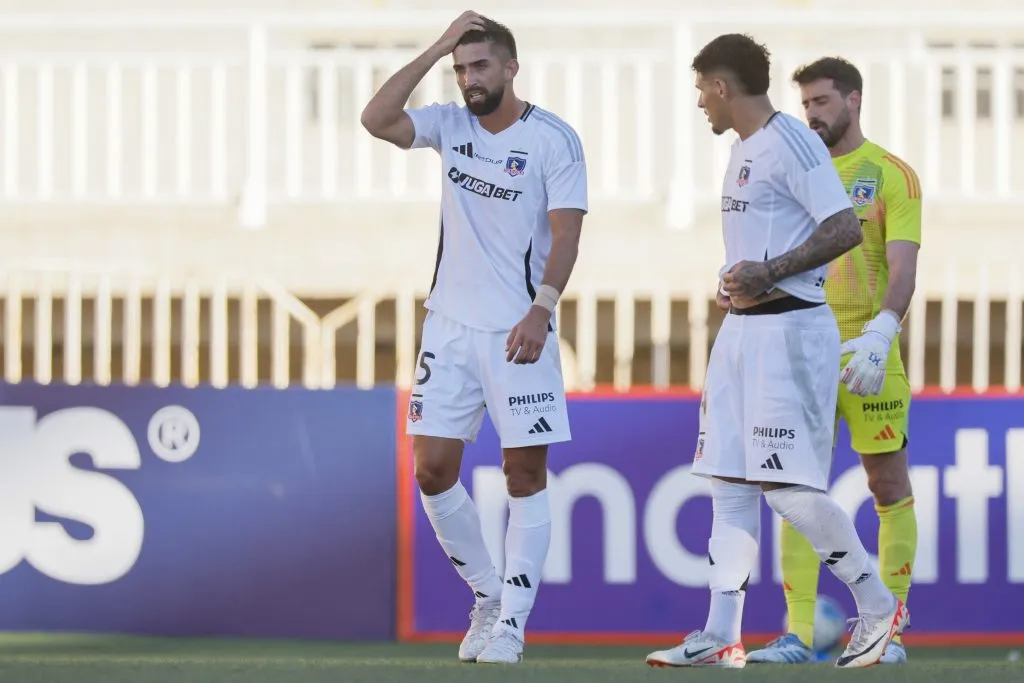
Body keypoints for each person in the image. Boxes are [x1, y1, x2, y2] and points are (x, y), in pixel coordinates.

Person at [644, 34, 908, 670]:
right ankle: (720, 634)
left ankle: (876, 608)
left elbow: (843, 227)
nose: (701, 103)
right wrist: (737, 279)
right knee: (729, 483)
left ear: (723, 86)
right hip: (742, 332)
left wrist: (771, 271)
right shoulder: (741, 150)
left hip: (790, 333)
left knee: (786, 489)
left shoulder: (790, 141)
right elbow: (765, 235)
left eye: (703, 89)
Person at [360, 11, 587, 665]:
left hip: (520, 326)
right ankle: (487, 594)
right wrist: (434, 47)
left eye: (480, 65)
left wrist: (543, 309)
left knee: (523, 471)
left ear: (511, 67)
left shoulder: (553, 140)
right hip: (449, 326)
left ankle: (513, 621)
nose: (469, 79)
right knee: (431, 468)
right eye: (461, 69)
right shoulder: (448, 123)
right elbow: (377, 119)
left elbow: (567, 233)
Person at [746, 56, 921, 666]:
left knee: (888, 486)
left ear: (853, 100)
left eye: (822, 102)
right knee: (797, 490)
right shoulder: (794, 171)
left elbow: (903, 267)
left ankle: (887, 632)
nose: (812, 114)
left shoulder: (891, 175)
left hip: (868, 354)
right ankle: (797, 634)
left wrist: (882, 332)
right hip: (802, 353)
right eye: (806, 105)